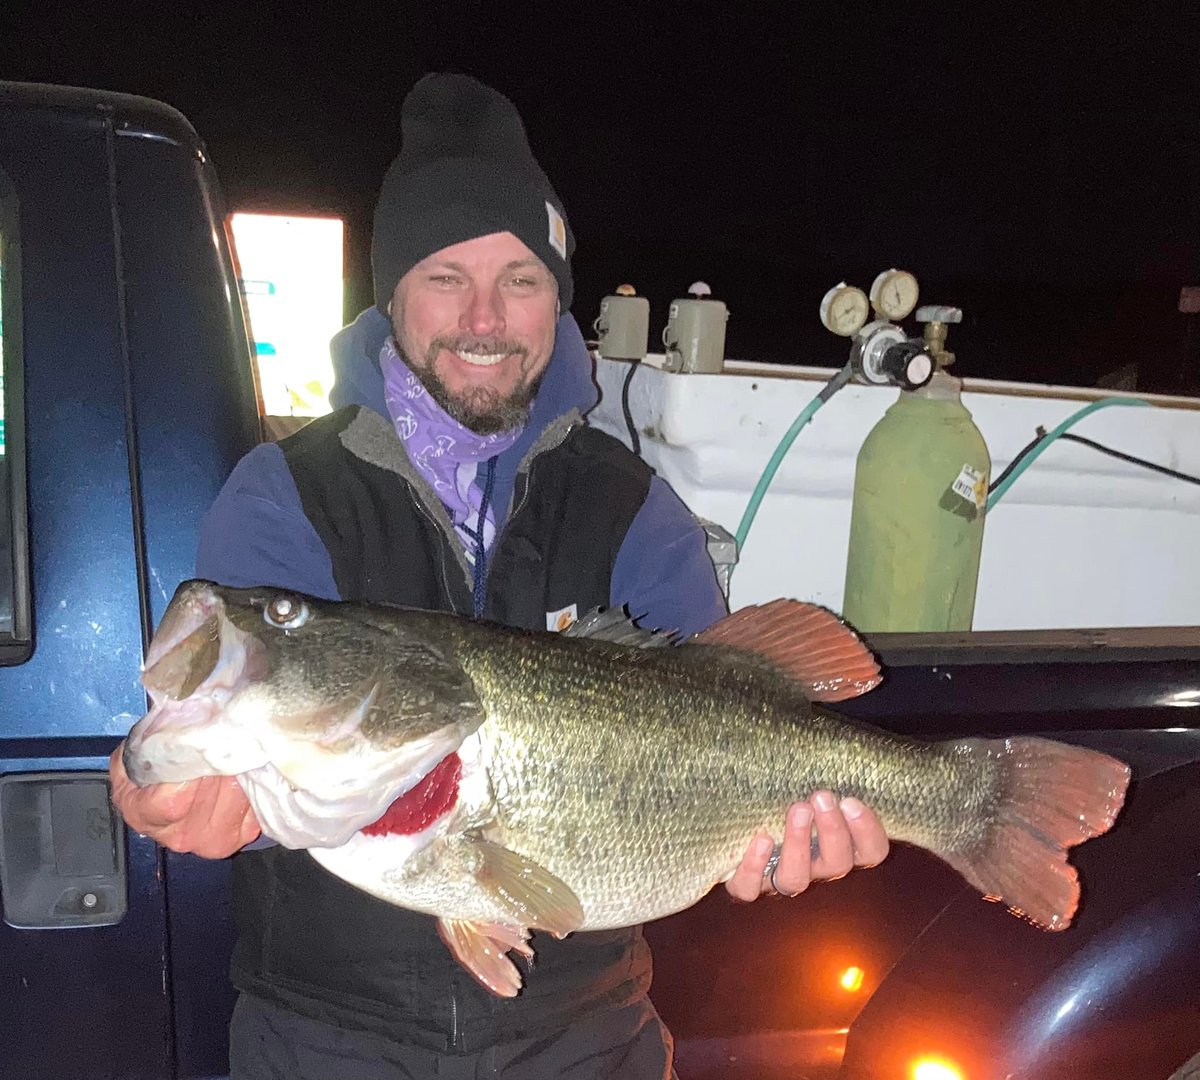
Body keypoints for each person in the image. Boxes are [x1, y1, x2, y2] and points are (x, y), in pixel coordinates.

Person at [110, 73, 889, 1079]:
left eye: (520, 277)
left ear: (555, 301)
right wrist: (159, 776)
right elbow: (242, 743)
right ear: (392, 296)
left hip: (587, 1039)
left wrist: (780, 851)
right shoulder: (283, 495)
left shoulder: (635, 507)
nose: (484, 315)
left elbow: (740, 711)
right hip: (327, 1041)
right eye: (445, 275)